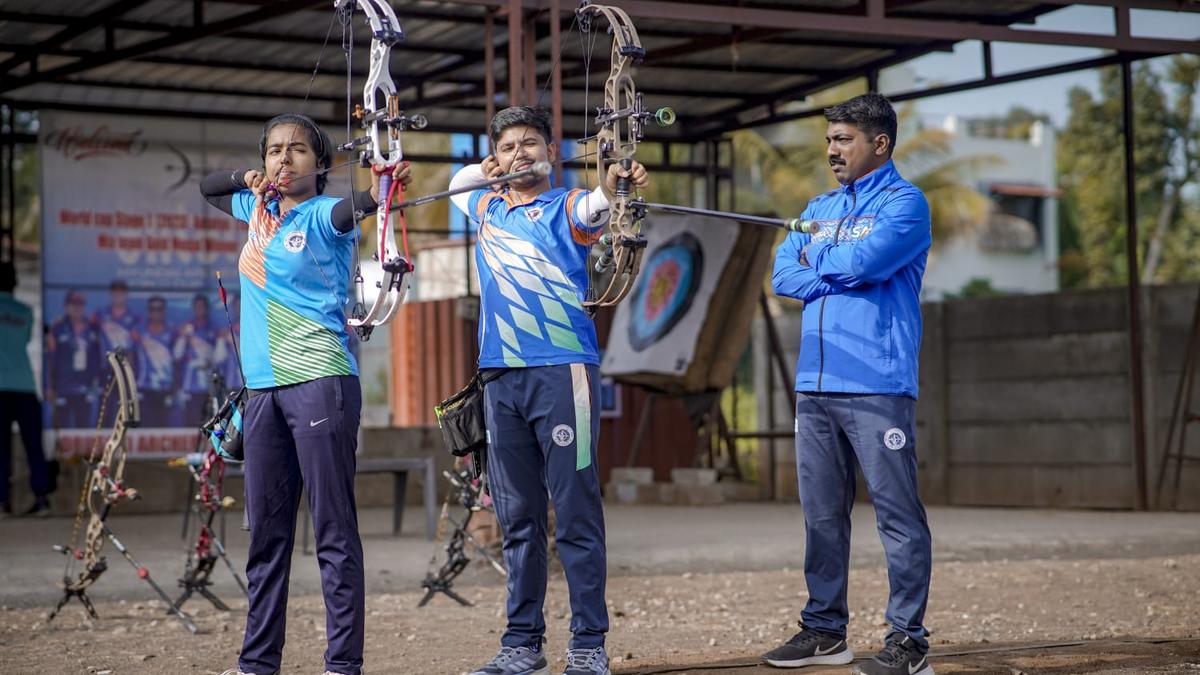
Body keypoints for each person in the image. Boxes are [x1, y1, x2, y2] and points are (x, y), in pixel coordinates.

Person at [200, 112, 411, 675]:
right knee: (266, 537)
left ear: (320, 164)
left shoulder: (323, 215)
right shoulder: (255, 209)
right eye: (274, 150)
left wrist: (382, 185)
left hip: (320, 382)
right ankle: (257, 663)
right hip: (261, 393)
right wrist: (246, 179)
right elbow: (208, 187)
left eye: (297, 149)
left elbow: (362, 204)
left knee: (333, 530)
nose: (283, 158)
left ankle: (342, 664)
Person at [448, 106, 649, 675]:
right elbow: (459, 181)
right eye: (508, 146)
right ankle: (522, 643)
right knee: (518, 519)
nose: (520, 154)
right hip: (500, 378)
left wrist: (617, 180)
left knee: (576, 512)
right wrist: (487, 172)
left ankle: (588, 643)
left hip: (562, 373)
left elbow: (600, 201)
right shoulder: (486, 206)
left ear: (552, 153)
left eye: (531, 143)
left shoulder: (568, 207)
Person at [762, 93, 934, 675]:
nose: (832, 150)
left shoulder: (906, 203)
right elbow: (783, 275)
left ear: (879, 143)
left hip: (877, 383)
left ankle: (908, 642)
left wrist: (820, 257)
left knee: (897, 515)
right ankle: (825, 631)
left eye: (844, 140)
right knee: (821, 518)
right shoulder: (818, 206)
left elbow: (868, 264)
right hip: (814, 387)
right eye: (829, 140)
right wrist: (835, 262)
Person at [0, 265, 54, 517]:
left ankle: (2, 502)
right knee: (34, 446)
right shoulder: (25, 311)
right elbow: (24, 340)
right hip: (25, 386)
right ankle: (42, 499)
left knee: (1, 449)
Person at [46, 290, 103, 428]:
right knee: (60, 429)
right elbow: (49, 359)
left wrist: (97, 382)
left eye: (80, 304)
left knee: (84, 429)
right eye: (73, 304)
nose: (77, 307)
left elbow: (98, 358)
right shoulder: (57, 327)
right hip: (63, 387)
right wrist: (48, 386)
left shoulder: (93, 328)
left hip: (86, 388)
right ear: (66, 306)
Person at [172, 293, 219, 426]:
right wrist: (183, 337)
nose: (199, 310)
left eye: (202, 307)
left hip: (208, 387)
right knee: (191, 422)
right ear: (193, 308)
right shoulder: (186, 328)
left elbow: (218, 358)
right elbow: (177, 355)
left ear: (207, 309)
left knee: (209, 423)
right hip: (189, 386)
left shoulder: (213, 328)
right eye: (197, 307)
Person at [134, 295, 177, 427]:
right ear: (148, 311)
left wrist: (175, 387)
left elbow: (177, 361)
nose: (156, 313)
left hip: (165, 388)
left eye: (159, 309)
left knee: (164, 427)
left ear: (164, 311)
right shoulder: (139, 331)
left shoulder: (172, 332)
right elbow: (130, 358)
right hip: (144, 387)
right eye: (152, 309)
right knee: (145, 427)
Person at [94, 279, 141, 355]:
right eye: (115, 292)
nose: (118, 295)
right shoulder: (100, 314)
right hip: (105, 360)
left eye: (121, 292)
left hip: (126, 361)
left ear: (126, 294)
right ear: (110, 294)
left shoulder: (135, 318)